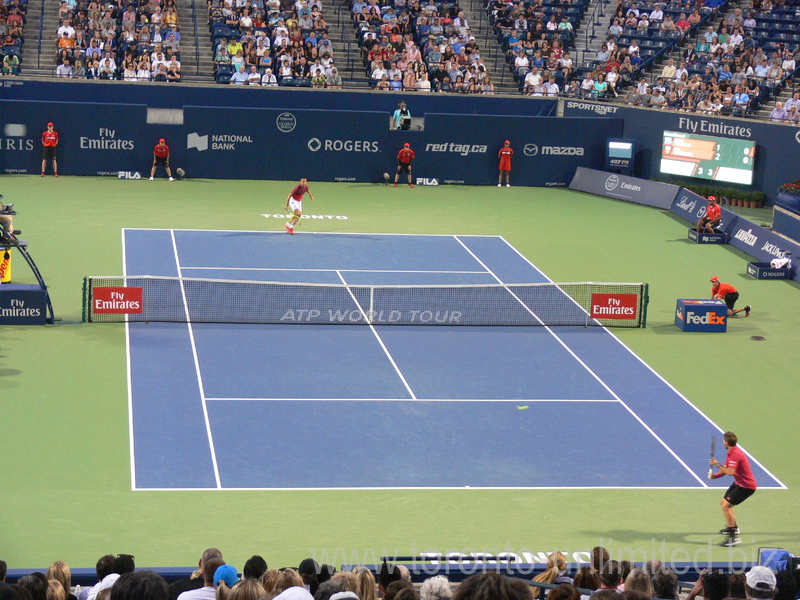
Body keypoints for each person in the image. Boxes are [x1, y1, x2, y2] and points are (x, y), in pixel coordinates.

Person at [710, 431, 757, 546]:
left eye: (723, 441)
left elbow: (730, 472)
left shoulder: (735, 454)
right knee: (723, 503)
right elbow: (726, 469)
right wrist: (714, 476)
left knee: (726, 505)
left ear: (726, 442)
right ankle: (733, 528)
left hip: (746, 486)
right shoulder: (731, 452)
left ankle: (733, 538)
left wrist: (717, 464)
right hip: (739, 483)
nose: (723, 443)